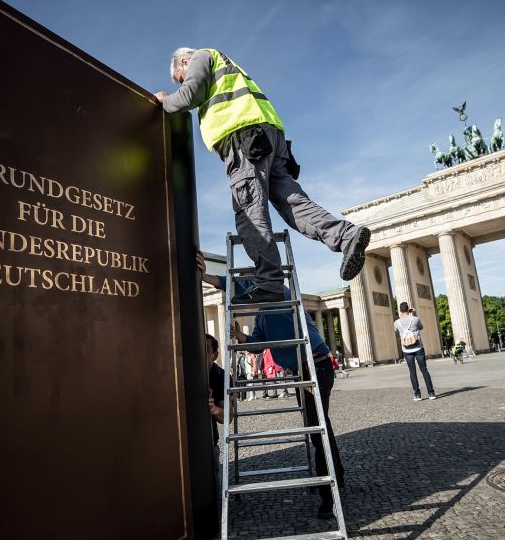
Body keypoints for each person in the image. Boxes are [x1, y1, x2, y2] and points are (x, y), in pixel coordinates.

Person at [156, 48, 370, 304]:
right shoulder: (228, 68)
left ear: (183, 61)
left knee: (249, 212)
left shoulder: (202, 57)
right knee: (294, 204)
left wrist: (163, 102)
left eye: (181, 77)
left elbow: (191, 94)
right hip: (269, 140)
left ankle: (269, 282)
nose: (183, 81)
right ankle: (346, 236)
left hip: (243, 139)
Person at [196, 252, 344, 519]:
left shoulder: (280, 292)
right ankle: (336, 477)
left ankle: (329, 494)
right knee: (318, 426)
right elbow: (257, 344)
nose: (249, 290)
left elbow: (241, 285)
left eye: (251, 284)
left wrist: (208, 277)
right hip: (302, 371)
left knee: (317, 427)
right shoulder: (264, 313)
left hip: (317, 366)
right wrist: (239, 335)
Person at [206, 333, 232, 494]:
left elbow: (228, 417)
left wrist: (213, 409)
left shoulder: (221, 376)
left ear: (215, 355)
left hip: (208, 443)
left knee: (213, 494)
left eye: (206, 349)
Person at [394, 303, 436, 401]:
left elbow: (396, 331)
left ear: (400, 311)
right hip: (418, 348)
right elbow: (421, 327)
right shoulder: (415, 319)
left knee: (412, 372)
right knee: (424, 370)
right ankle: (431, 393)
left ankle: (417, 395)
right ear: (408, 309)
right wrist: (412, 314)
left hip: (406, 350)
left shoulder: (396, 322)